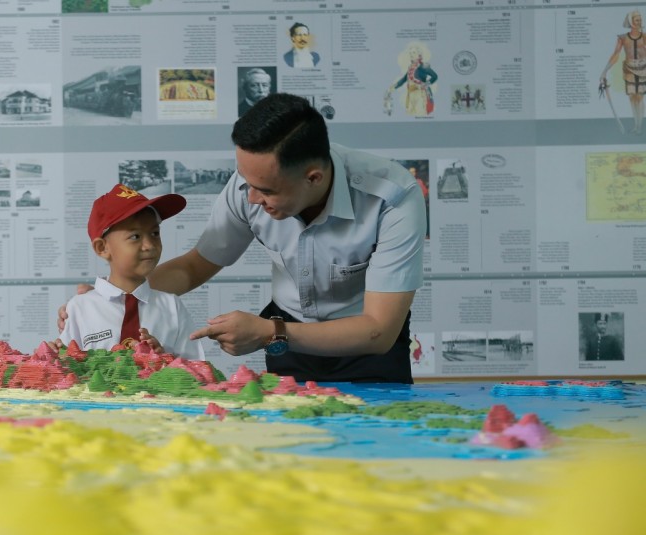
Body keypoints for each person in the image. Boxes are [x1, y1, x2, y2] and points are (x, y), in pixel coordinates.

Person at [60, 93, 425, 383]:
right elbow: (194, 267)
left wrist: (269, 331)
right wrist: (113, 298)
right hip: (287, 341)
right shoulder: (249, 184)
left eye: (264, 190)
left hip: (367, 349)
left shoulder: (392, 198)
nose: (250, 199)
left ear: (312, 178)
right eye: (245, 182)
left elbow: (379, 329)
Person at [54, 183, 205, 360]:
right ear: (102, 248)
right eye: (135, 236)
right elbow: (67, 371)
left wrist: (163, 359)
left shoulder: (172, 307)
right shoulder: (80, 308)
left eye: (155, 233)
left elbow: (197, 371)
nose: (149, 246)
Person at [601, 10, 644, 135]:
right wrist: (605, 70)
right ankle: (636, 127)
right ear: (631, 22)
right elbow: (616, 55)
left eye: (640, 19)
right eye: (637, 20)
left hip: (643, 70)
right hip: (629, 69)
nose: (640, 22)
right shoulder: (623, 38)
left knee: (640, 97)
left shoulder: (645, 36)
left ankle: (639, 126)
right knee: (632, 97)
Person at [388, 42, 437, 117]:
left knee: (420, 114)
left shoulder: (423, 66)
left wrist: (426, 84)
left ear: (419, 55)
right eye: (410, 53)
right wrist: (394, 87)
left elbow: (435, 76)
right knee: (410, 114)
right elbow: (404, 79)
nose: (411, 54)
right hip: (410, 95)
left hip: (420, 94)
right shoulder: (410, 67)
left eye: (413, 53)